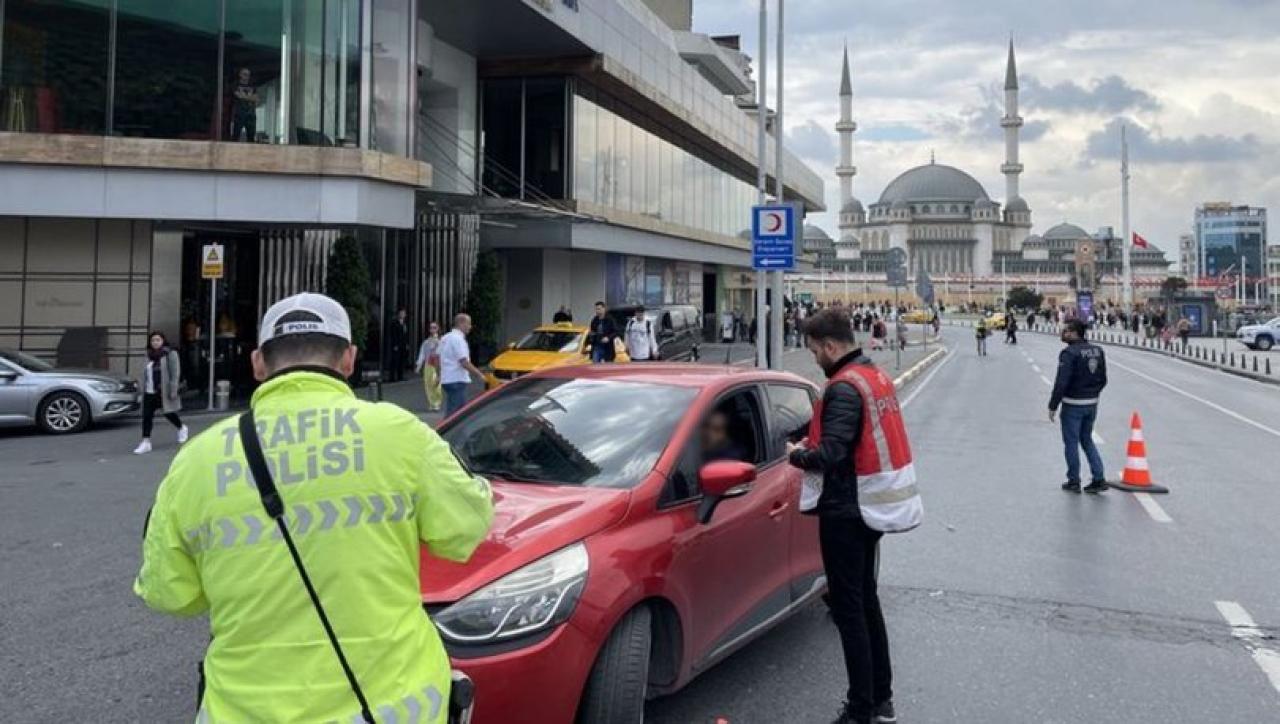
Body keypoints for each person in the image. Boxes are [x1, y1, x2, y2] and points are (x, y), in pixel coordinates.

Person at [134, 292, 494, 722]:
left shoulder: (196, 460)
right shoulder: (400, 434)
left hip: (244, 710)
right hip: (395, 704)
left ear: (258, 364)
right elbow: (464, 532)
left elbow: (169, 594)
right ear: (349, 359)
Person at [787, 308, 917, 724]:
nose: (814, 359)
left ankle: (861, 708)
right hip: (872, 505)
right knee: (867, 602)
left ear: (830, 346)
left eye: (814, 351)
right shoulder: (871, 374)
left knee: (850, 610)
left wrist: (797, 456)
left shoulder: (844, 387)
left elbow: (831, 453)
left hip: (848, 508)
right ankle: (881, 699)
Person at [1049, 319, 1108, 494]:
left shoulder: (1069, 353)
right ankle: (1099, 478)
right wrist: (1092, 393)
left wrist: (1053, 405)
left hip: (1073, 404)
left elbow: (1062, 383)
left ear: (1075, 333)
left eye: (1066, 330)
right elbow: (1103, 379)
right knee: (1087, 440)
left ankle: (1073, 480)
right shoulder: (1098, 351)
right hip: (1091, 403)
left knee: (1071, 443)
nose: (1063, 333)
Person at [133, 332, 188, 455]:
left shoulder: (170, 354)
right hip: (149, 391)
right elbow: (144, 373)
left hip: (163, 390)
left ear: (163, 341)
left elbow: (175, 373)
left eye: (158, 340)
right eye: (153, 340)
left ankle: (181, 427)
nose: (155, 342)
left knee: (168, 413)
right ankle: (146, 441)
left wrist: (173, 390)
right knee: (147, 416)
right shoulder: (148, 355)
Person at [440, 313, 484, 416]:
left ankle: (457, 430)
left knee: (459, 410)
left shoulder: (445, 338)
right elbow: (464, 361)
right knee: (456, 413)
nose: (470, 326)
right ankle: (448, 431)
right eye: (468, 323)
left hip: (447, 378)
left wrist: (439, 374)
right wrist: (479, 374)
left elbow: (437, 358)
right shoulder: (458, 339)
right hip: (457, 379)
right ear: (461, 323)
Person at [414, 321, 443, 412]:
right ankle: (431, 403)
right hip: (428, 365)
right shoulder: (426, 342)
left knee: (436, 384)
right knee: (428, 384)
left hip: (437, 365)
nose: (432, 329)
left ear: (438, 329)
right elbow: (422, 354)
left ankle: (437, 402)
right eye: (431, 328)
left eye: (434, 327)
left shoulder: (441, 341)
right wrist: (419, 366)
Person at [229, 68, 259, 142]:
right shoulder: (235, 85)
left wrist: (244, 96)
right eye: (245, 74)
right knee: (235, 136)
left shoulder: (253, 85)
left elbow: (256, 99)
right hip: (239, 114)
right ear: (240, 75)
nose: (247, 76)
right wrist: (250, 97)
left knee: (251, 137)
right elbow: (238, 95)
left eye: (248, 75)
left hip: (251, 115)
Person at [386, 307, 410, 382]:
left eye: (404, 313)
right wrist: (395, 345)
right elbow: (393, 334)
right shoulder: (394, 323)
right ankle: (392, 377)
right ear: (398, 314)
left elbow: (405, 335)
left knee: (401, 361)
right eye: (401, 313)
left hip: (403, 344)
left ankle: (400, 376)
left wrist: (406, 344)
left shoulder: (405, 323)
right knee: (394, 361)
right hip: (396, 345)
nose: (403, 315)